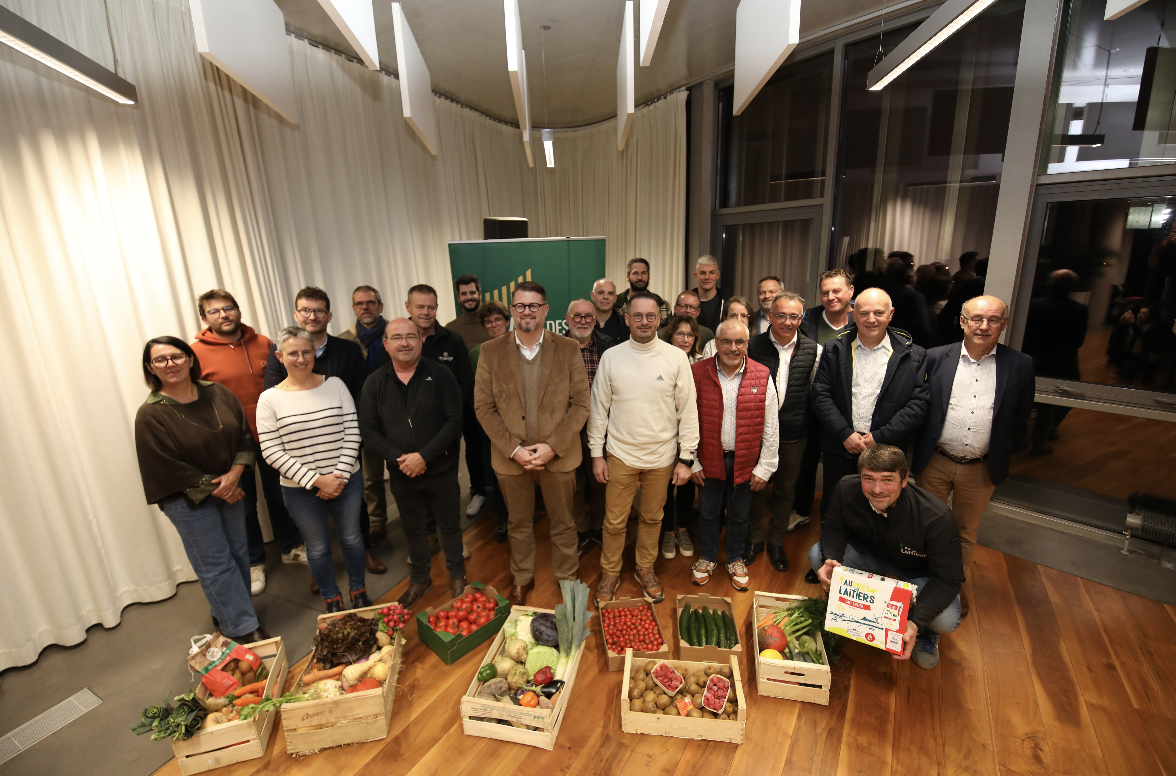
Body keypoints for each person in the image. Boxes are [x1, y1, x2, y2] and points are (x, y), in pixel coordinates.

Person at [134, 337, 268, 642]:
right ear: (150, 368)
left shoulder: (218, 392)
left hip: (230, 485)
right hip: (187, 501)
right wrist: (221, 487)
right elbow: (165, 467)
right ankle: (244, 628)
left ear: (191, 359)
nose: (171, 364)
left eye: (177, 356)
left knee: (238, 557)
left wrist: (235, 474)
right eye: (161, 360)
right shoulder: (151, 414)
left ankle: (230, 612)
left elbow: (244, 436)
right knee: (216, 565)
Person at [913, 296, 1034, 618]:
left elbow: (1020, 414)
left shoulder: (1020, 364)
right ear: (963, 322)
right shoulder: (935, 358)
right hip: (935, 460)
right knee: (923, 525)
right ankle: (918, 582)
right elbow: (921, 406)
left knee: (964, 532)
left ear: (1003, 324)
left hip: (980, 467)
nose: (984, 326)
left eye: (993, 320)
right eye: (976, 319)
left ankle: (951, 587)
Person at [474, 282, 591, 606]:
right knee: (518, 524)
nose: (528, 311)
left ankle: (568, 580)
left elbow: (581, 404)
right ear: (512, 310)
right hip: (511, 459)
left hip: (559, 456)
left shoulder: (568, 349)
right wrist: (514, 449)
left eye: (534, 306)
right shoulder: (491, 351)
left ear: (545, 310)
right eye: (521, 306)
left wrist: (553, 445)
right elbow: (483, 407)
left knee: (565, 524)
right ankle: (522, 578)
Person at [190, 290, 305, 597]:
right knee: (244, 504)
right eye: (215, 312)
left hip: (272, 434)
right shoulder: (195, 354)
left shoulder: (265, 343)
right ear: (205, 318)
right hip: (230, 444)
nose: (223, 315)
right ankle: (254, 561)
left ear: (238, 310)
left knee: (281, 494)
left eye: (228, 308)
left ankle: (290, 546)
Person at [264, 287, 385, 577]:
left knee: (353, 514)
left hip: (344, 442)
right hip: (300, 451)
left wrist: (348, 434)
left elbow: (361, 391)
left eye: (319, 310)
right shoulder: (280, 354)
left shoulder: (346, 349)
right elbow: (272, 395)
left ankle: (365, 550)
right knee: (314, 529)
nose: (312, 316)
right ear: (296, 314)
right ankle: (323, 568)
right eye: (306, 310)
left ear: (329, 315)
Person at [809, 445, 964, 670]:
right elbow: (834, 528)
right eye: (868, 479)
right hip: (869, 557)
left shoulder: (936, 518)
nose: (877, 489)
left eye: (888, 480)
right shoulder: (845, 488)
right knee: (817, 556)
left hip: (916, 573)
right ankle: (850, 610)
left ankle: (926, 634)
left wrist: (916, 622)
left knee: (945, 620)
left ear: (904, 479)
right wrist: (831, 558)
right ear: (859, 475)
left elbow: (948, 580)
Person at [589, 292, 699, 606]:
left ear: (659, 319)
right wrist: (596, 453)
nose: (644, 321)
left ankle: (645, 568)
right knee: (614, 520)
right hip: (620, 454)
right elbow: (599, 409)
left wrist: (686, 458)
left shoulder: (675, 357)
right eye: (637, 316)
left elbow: (687, 411)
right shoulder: (612, 357)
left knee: (652, 518)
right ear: (627, 318)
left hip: (662, 457)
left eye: (650, 316)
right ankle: (610, 572)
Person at [257, 328, 367, 613]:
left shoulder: (336, 385)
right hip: (300, 490)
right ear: (280, 357)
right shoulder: (269, 399)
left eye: (307, 352)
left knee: (352, 538)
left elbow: (353, 433)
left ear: (315, 353)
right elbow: (270, 451)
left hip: (346, 481)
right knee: (317, 548)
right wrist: (317, 481)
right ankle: (331, 599)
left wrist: (338, 477)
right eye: (293, 353)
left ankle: (359, 591)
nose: (301, 358)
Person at [360, 318, 467, 608]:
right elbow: (369, 430)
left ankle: (457, 576)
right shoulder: (374, 383)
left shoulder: (441, 375)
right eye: (396, 337)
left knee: (450, 526)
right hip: (401, 474)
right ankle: (421, 579)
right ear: (386, 344)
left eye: (411, 336)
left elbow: (454, 421)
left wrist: (424, 456)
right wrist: (401, 459)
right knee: (414, 529)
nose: (404, 342)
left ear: (421, 341)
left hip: (440, 470)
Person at [811, 288, 930, 519]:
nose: (871, 319)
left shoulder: (914, 355)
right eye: (864, 313)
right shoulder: (834, 349)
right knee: (835, 510)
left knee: (882, 512)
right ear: (853, 314)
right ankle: (833, 555)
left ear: (891, 314)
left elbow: (918, 405)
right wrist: (845, 434)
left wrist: (879, 437)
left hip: (887, 450)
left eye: (879, 313)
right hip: (841, 447)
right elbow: (821, 395)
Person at [688, 320, 778, 591]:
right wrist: (691, 461)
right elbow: (684, 419)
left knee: (740, 515)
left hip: (745, 460)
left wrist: (765, 467)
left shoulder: (761, 374)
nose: (732, 347)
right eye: (726, 341)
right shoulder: (696, 372)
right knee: (708, 513)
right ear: (715, 343)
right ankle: (707, 558)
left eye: (739, 342)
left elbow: (771, 424)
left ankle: (735, 558)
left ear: (747, 344)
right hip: (707, 458)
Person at [744, 292, 821, 571]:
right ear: (769, 317)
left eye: (793, 316)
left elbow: (815, 393)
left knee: (786, 490)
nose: (787, 322)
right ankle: (754, 539)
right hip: (757, 433)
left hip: (793, 434)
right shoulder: (752, 346)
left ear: (801, 319)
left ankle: (776, 541)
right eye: (780, 315)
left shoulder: (814, 350)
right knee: (756, 487)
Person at [406, 285, 482, 523]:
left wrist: (448, 415)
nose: (426, 312)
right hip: (410, 423)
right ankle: (427, 528)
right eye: (420, 307)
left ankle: (453, 525)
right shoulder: (398, 338)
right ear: (408, 307)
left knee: (449, 475)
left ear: (437, 308)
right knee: (416, 476)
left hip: (447, 421)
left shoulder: (452, 339)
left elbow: (464, 381)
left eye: (431, 307)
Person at [793, 269, 856, 529]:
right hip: (807, 404)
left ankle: (839, 521)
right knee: (805, 462)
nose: (831, 297)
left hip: (842, 410)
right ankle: (801, 510)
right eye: (825, 292)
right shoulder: (808, 319)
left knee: (837, 469)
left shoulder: (862, 320)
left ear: (851, 291)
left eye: (837, 291)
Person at [338, 285, 392, 545]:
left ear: (380, 306)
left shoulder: (397, 333)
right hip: (362, 420)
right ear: (353, 308)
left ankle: (415, 521)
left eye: (370, 303)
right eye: (359, 304)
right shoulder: (343, 342)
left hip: (395, 416)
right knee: (371, 477)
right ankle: (377, 522)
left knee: (404, 470)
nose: (365, 307)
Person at [564, 298, 616, 553]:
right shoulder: (555, 347)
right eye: (577, 316)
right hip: (566, 427)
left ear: (595, 320)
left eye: (588, 317)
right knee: (574, 482)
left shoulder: (609, 347)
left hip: (601, 425)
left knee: (599, 480)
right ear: (567, 319)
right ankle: (580, 529)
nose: (582, 321)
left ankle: (597, 527)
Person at [1022, 269, 1086, 455]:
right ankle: (1041, 439)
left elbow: (1025, 332)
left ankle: (1019, 440)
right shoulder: (1079, 309)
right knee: (1058, 400)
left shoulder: (1034, 305)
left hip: (1032, 359)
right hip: (1061, 362)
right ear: (1072, 287)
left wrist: (1034, 354)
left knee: (1025, 400)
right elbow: (1076, 341)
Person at [469, 301, 513, 542]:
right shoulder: (476, 354)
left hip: (521, 424)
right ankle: (503, 519)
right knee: (498, 475)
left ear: (507, 321)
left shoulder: (522, 347)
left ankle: (523, 518)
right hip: (492, 426)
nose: (494, 325)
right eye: (489, 321)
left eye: (498, 320)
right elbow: (476, 394)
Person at [661, 313, 702, 561]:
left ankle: (683, 529)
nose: (685, 339)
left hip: (692, 435)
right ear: (670, 336)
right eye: (680, 334)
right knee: (665, 486)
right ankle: (667, 531)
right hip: (664, 435)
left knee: (687, 485)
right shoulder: (660, 360)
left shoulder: (702, 362)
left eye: (690, 334)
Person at [884, 256, 933, 347]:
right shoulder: (916, 296)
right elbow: (923, 323)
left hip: (889, 337)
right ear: (911, 278)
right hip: (911, 340)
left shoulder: (887, 295)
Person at [614, 258, 670, 326]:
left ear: (649, 276)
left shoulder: (663, 305)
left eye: (643, 273)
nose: (640, 277)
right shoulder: (614, 305)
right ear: (628, 277)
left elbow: (667, 333)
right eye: (635, 273)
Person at [446, 274, 492, 351]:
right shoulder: (450, 330)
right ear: (458, 298)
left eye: (472, 293)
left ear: (480, 295)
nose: (469, 297)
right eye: (464, 294)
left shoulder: (495, 324)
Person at [691, 255, 730, 333]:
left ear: (718, 275)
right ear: (696, 276)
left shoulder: (728, 302)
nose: (707, 277)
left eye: (712, 273)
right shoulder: (686, 302)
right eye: (702, 273)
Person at [591, 279, 629, 343]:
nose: (605, 297)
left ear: (615, 298)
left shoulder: (625, 324)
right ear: (593, 296)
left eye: (610, 294)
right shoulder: (584, 322)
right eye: (601, 293)